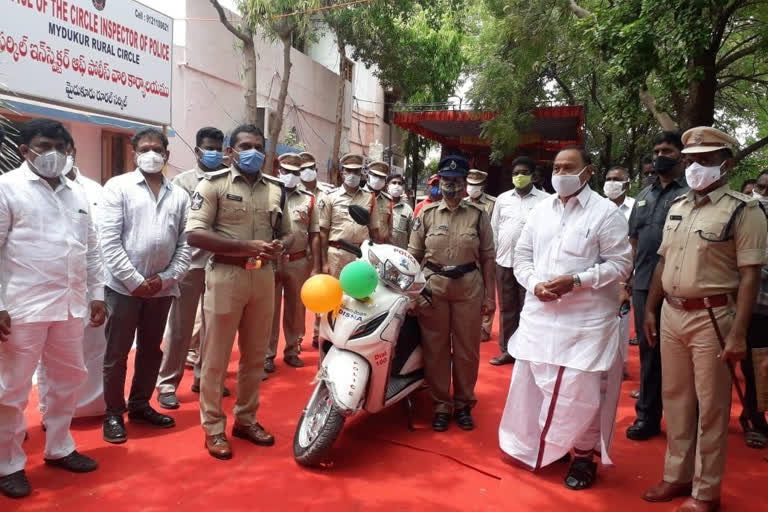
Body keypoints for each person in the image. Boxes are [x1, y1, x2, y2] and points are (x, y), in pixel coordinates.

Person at [642, 127, 766, 512]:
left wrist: (739, 332)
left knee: (711, 407)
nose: (696, 166)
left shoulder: (743, 210)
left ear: (726, 164)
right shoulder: (678, 205)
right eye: (691, 159)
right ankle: (677, 476)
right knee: (676, 399)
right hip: (672, 312)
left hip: (713, 317)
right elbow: (664, 260)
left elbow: (750, 275)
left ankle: (705, 491)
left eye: (706, 159)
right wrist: (651, 306)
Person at [498, 147, 632, 490]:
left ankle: (584, 457)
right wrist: (534, 283)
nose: (560, 173)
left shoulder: (605, 213)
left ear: (587, 171)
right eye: (556, 167)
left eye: (568, 167)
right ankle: (550, 447)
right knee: (538, 386)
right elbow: (522, 256)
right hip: (540, 319)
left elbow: (621, 264)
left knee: (581, 392)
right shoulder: (541, 211)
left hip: (585, 322)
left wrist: (576, 281)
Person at [0, 119, 105, 498]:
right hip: (21, 308)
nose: (54, 154)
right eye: (45, 145)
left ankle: (59, 446)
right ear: (24, 149)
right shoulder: (6, 188)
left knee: (68, 380)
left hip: (70, 306)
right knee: (11, 391)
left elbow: (91, 251)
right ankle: (8, 463)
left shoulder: (77, 193)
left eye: (62, 147)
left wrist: (97, 294)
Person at [185, 124, 294, 460]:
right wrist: (245, 245)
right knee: (216, 359)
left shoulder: (276, 190)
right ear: (231, 151)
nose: (253, 151)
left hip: (262, 278)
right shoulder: (213, 184)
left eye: (258, 146)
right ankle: (213, 428)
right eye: (245, 145)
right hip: (225, 275)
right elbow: (195, 235)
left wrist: (280, 247)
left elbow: (290, 234)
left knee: (256, 357)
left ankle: (245, 419)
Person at [100, 128, 192, 444]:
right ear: (134, 152)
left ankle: (140, 406)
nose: (151, 154)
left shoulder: (179, 195)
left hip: (162, 290)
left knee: (152, 351)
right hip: (123, 289)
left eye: (157, 149)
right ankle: (113, 413)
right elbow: (108, 242)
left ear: (166, 154)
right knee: (117, 352)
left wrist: (165, 279)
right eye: (145, 149)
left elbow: (185, 244)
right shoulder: (118, 187)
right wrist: (135, 281)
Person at [408, 155, 496, 432]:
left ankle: (463, 404)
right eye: (447, 181)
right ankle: (441, 405)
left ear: (465, 183)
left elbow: (488, 257)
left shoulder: (479, 215)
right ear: (439, 182)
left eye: (457, 182)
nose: (452, 187)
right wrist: (412, 293)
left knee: (467, 350)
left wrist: (489, 296)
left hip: (469, 287)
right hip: (434, 288)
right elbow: (413, 256)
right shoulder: (426, 214)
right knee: (435, 350)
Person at [155, 127, 226, 410]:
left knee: (214, 327)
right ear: (197, 150)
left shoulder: (228, 180)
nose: (214, 153)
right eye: (209, 148)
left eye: (219, 148)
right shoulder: (181, 183)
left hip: (221, 263)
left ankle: (203, 379)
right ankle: (167, 384)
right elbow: (174, 225)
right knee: (180, 328)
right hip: (190, 264)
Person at [625, 132, 689, 440]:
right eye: (656, 150)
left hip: (679, 285)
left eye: (667, 150)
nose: (660, 155)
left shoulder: (690, 194)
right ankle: (647, 418)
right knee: (650, 353)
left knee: (679, 355)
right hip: (643, 283)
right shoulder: (643, 196)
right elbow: (634, 240)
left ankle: (684, 421)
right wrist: (630, 279)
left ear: (682, 155)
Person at [489, 157, 549, 366]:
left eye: (523, 172)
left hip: (532, 266)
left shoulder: (546, 200)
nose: (519, 176)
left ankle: (528, 351)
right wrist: (494, 257)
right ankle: (507, 350)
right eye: (515, 173)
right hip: (504, 262)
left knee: (529, 308)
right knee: (507, 308)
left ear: (533, 175)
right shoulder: (502, 199)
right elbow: (494, 230)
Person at [265, 153, 321, 373]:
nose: (290, 176)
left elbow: (314, 233)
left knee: (296, 308)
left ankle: (292, 349)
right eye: (286, 171)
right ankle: (267, 355)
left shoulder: (308, 199)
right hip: (271, 260)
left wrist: (316, 266)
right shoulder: (269, 194)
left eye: (295, 173)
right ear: (279, 171)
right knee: (269, 309)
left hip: (298, 261)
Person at [320, 153, 385, 278]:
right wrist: (324, 263)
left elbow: (375, 232)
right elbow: (323, 232)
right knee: (337, 294)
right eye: (349, 171)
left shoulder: (370, 198)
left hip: (361, 255)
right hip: (336, 255)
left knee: (359, 295)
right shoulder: (330, 196)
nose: (353, 175)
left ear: (361, 173)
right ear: (342, 172)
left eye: (356, 171)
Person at [740, 170, 768, 448]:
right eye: (760, 188)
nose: (763, 195)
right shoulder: (747, 220)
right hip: (756, 308)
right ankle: (754, 419)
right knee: (755, 367)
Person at [603, 165, 635, 377]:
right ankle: (601, 361)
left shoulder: (637, 207)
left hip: (627, 273)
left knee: (622, 321)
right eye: (608, 178)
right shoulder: (598, 206)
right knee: (601, 317)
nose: (612, 183)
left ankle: (620, 364)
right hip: (601, 271)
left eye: (617, 179)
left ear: (627, 184)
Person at [464, 169, 497, 341]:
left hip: (486, 251)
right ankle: (469, 324)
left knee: (487, 287)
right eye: (470, 185)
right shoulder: (462, 202)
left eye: (476, 185)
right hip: (468, 252)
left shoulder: (493, 203)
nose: (472, 188)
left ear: (482, 186)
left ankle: (485, 327)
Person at [364, 160, 394, 243]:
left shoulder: (388, 201)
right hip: (362, 248)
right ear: (367, 176)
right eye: (375, 175)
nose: (378, 179)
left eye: (382, 177)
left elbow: (390, 229)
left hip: (381, 248)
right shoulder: (358, 196)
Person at [387, 173, 414, 250]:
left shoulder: (407, 209)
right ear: (387, 186)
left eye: (399, 183)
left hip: (399, 254)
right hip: (381, 254)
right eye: (394, 182)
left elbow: (412, 236)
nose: (397, 185)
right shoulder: (379, 204)